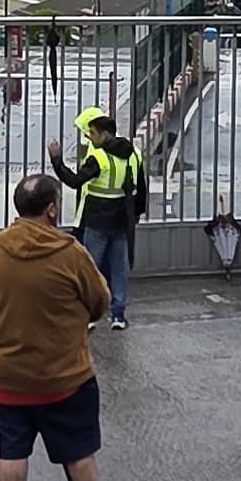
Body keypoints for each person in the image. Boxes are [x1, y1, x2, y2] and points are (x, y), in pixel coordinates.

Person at [0, 174, 126, 481]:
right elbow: (100, 300)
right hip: (65, 375)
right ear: (52, 208)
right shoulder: (70, 252)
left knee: (11, 452)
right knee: (78, 449)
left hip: (8, 373)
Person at [52, 110, 148, 327]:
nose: (89, 138)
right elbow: (141, 188)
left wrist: (56, 160)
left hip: (97, 220)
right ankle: (118, 315)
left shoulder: (99, 157)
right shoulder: (134, 154)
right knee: (118, 269)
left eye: (92, 133)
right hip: (122, 220)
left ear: (104, 134)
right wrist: (136, 215)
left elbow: (74, 181)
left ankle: (89, 314)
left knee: (91, 269)